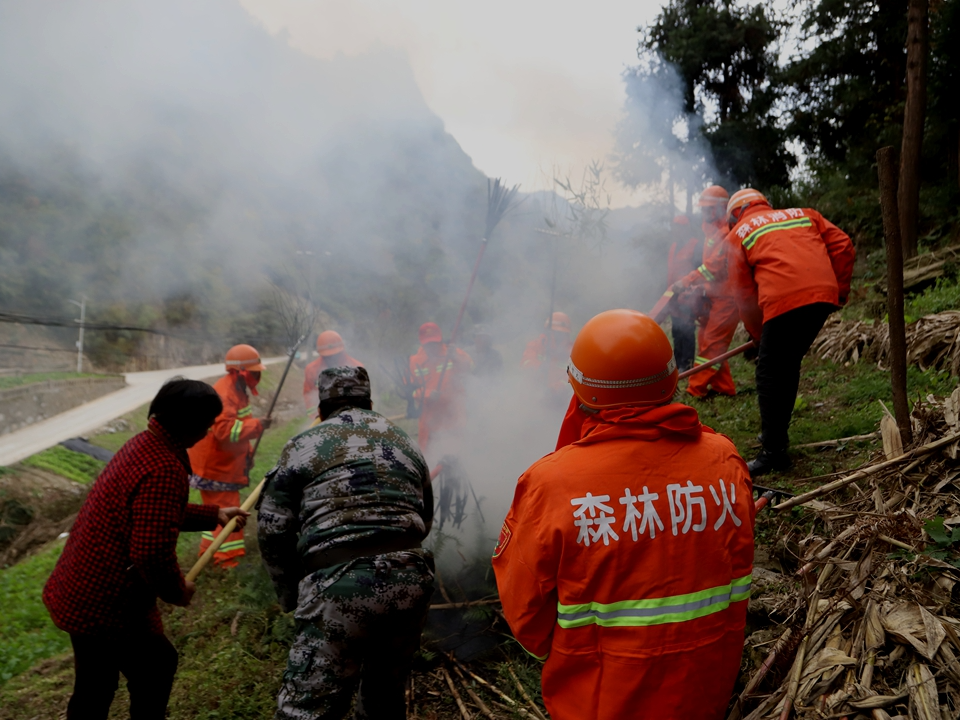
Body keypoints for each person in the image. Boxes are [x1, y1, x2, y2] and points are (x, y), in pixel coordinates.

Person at [492, 309, 754, 720]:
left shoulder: (553, 483)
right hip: (706, 692)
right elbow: (737, 565)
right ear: (671, 380)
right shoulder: (724, 460)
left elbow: (525, 610)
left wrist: (569, 649)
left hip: (599, 702)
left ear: (580, 390)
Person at [43, 379, 250, 720]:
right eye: (206, 425)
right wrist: (176, 589)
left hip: (79, 588)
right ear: (189, 424)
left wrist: (214, 514)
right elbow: (151, 552)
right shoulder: (164, 467)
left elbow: (151, 512)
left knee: (95, 683)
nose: (207, 432)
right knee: (155, 666)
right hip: (108, 601)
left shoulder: (144, 445)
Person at [258, 366, 435, 720]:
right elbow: (425, 518)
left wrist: (290, 594)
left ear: (321, 407)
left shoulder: (304, 444)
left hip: (339, 584)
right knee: (384, 697)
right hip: (411, 580)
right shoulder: (404, 441)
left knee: (306, 710)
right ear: (369, 402)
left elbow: (272, 527)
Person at [721, 189, 856, 476]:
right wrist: (839, 291)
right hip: (822, 295)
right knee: (787, 362)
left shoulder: (737, 235)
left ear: (735, 215)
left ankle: (774, 452)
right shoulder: (806, 214)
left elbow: (744, 295)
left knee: (769, 370)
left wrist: (757, 335)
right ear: (765, 204)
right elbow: (843, 245)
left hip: (784, 300)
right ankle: (775, 435)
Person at [188, 344, 270, 567]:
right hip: (214, 468)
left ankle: (210, 553)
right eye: (254, 372)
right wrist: (257, 426)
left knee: (214, 513)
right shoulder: (225, 393)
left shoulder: (238, 391)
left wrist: (248, 454)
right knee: (229, 513)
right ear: (240, 371)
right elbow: (225, 431)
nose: (257, 376)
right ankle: (228, 562)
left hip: (221, 464)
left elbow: (239, 428)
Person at [677, 185, 740, 397]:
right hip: (715, 295)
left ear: (721, 208)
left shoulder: (726, 232)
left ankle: (696, 389)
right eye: (703, 209)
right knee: (708, 339)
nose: (704, 213)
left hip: (729, 298)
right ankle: (724, 387)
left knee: (712, 343)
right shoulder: (710, 229)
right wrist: (700, 287)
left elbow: (714, 266)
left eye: (708, 209)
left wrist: (688, 280)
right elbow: (712, 272)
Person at [408, 322, 473, 461]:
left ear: (440, 340)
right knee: (429, 457)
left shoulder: (452, 353)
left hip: (453, 414)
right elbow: (409, 390)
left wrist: (455, 357)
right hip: (429, 417)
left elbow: (469, 368)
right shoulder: (414, 361)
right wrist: (427, 394)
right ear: (422, 343)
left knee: (456, 457)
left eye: (435, 343)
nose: (432, 347)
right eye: (428, 344)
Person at [666, 215, 702, 371]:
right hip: (674, 294)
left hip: (688, 296)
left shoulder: (695, 246)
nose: (677, 230)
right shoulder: (674, 246)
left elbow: (699, 270)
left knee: (687, 329)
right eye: (675, 227)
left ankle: (686, 365)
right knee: (676, 330)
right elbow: (671, 270)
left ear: (686, 228)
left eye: (680, 227)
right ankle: (677, 362)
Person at [303, 330, 364, 412]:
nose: (331, 358)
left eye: (335, 355)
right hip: (323, 415)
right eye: (327, 356)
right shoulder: (312, 370)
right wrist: (317, 416)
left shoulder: (357, 368)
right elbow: (309, 396)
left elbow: (362, 397)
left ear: (342, 350)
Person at [520, 311, 574, 400]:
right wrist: (540, 367)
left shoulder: (572, 352)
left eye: (562, 333)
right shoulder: (535, 346)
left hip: (559, 400)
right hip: (533, 397)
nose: (558, 335)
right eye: (555, 332)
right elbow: (525, 364)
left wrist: (555, 389)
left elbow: (573, 378)